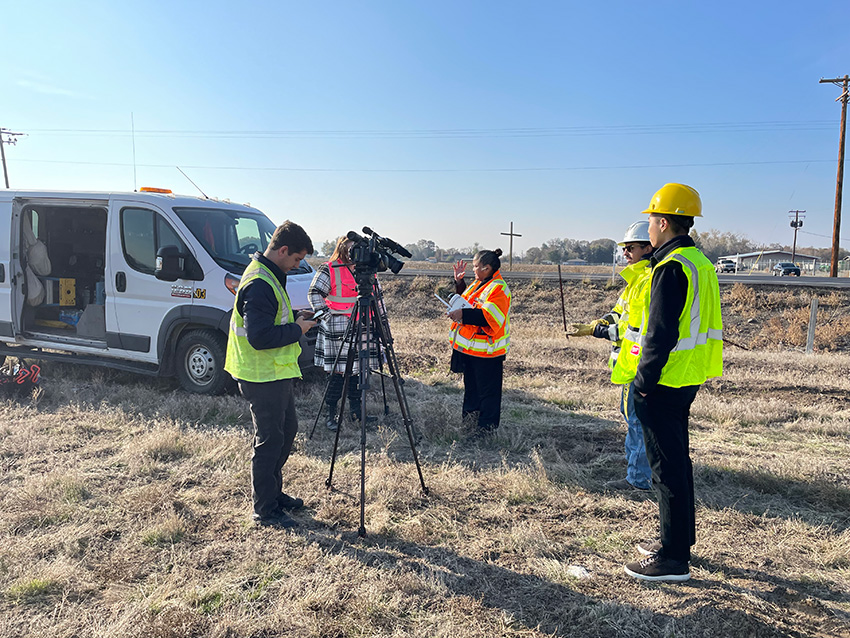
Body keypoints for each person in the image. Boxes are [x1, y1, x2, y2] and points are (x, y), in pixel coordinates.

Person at [615, 184, 723, 581]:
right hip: (687, 377)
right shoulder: (701, 263)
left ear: (662, 222)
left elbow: (659, 334)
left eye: (650, 220)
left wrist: (641, 384)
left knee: (666, 467)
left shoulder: (671, 267)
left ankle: (673, 559)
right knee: (678, 463)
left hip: (662, 382)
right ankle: (675, 541)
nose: (649, 228)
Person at [224, 221, 317, 529]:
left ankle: (274, 495)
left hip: (274, 374)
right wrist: (297, 329)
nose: (297, 266)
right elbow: (260, 337)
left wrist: (295, 318)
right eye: (296, 259)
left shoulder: (270, 276)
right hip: (260, 375)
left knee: (286, 431)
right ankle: (265, 509)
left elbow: (270, 318)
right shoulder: (260, 282)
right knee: (269, 441)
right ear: (283, 250)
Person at [569, 221, 654, 492]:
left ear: (648, 247)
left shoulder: (650, 280)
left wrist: (601, 332)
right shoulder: (635, 281)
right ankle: (639, 472)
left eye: (631, 248)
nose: (625, 253)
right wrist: (598, 322)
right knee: (631, 418)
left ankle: (639, 480)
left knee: (638, 423)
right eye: (624, 248)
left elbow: (636, 329)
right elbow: (618, 313)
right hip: (630, 364)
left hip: (640, 364)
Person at [308, 236, 382, 430]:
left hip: (363, 327)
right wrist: (326, 316)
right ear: (342, 248)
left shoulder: (367, 271)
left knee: (359, 372)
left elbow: (378, 299)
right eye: (351, 248)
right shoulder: (330, 268)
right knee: (337, 375)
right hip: (337, 330)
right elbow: (314, 292)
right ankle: (330, 414)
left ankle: (356, 412)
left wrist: (381, 323)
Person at [447, 248, 511, 436]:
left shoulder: (498, 288)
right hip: (472, 351)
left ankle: (486, 431)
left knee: (488, 394)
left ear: (487, 268)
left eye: (476, 266)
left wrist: (462, 315)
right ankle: (469, 425)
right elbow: (467, 301)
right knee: (472, 391)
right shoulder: (480, 283)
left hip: (488, 352)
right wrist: (459, 283)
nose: (473, 270)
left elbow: (488, 316)